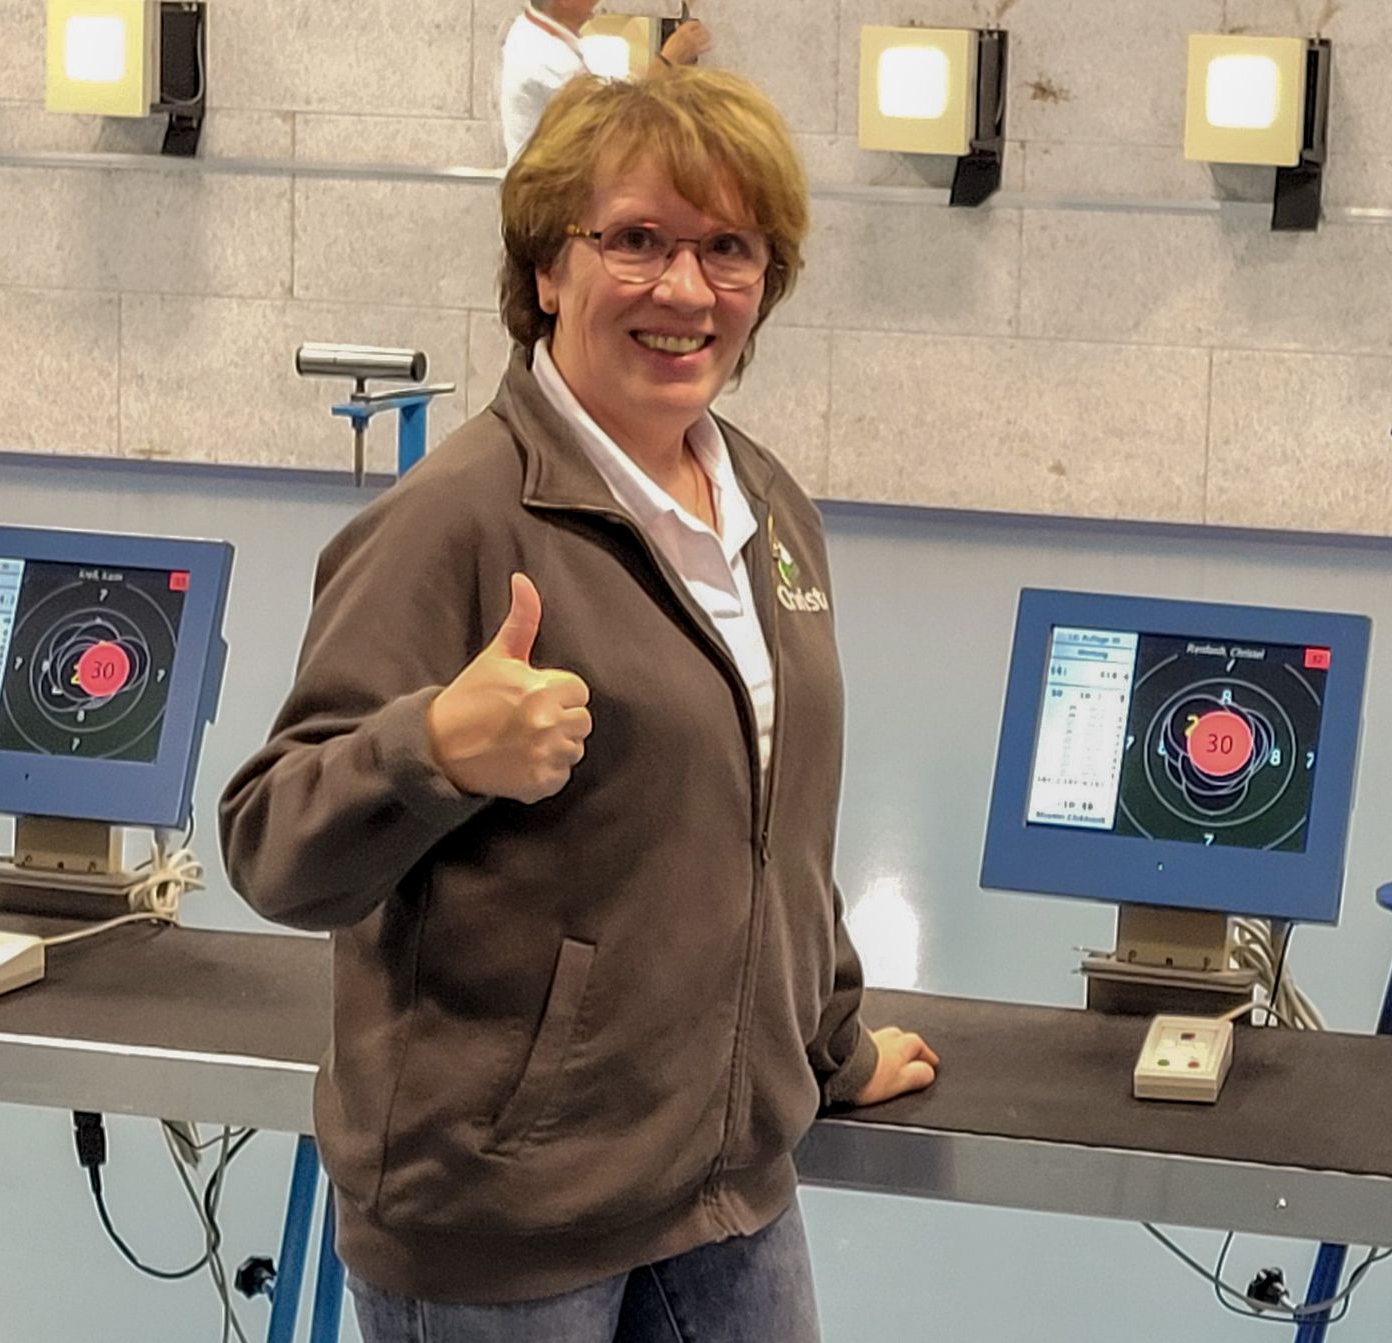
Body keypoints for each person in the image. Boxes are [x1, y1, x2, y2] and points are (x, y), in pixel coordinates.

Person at [219, 68, 939, 1343]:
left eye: (729, 248)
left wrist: (829, 1048)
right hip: (504, 1224)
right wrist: (434, 747)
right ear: (549, 267)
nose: (686, 289)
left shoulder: (769, 509)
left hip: (726, 1191)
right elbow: (272, 842)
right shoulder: (455, 518)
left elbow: (777, 830)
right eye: (638, 240)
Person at [501, 0, 713, 162]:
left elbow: (605, 93)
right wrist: (668, 61)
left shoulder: (536, 31)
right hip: (547, 198)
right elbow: (610, 124)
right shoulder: (546, 58)